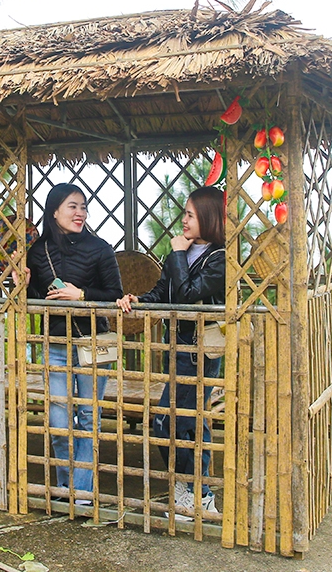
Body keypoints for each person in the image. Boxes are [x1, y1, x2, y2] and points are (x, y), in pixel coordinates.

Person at [116, 186, 226, 515]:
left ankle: (196, 491)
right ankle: (194, 493)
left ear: (208, 217)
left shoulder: (220, 258)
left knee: (171, 422)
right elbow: (162, 294)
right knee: (189, 424)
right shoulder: (180, 253)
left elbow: (189, 294)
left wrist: (178, 255)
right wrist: (135, 300)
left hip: (200, 353)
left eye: (190, 215)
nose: (184, 221)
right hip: (177, 351)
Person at [27, 183, 123, 504]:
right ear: (54, 211)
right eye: (73, 206)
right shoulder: (38, 252)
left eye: (83, 206)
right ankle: (67, 485)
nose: (80, 212)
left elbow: (114, 295)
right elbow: (36, 300)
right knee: (57, 418)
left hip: (93, 341)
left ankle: (79, 493)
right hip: (55, 341)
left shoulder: (100, 249)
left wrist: (80, 295)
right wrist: (25, 287)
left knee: (88, 416)